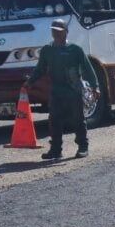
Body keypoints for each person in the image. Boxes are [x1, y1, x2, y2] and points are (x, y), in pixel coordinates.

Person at [24, 18, 100, 160]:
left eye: (59, 31)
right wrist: (30, 82)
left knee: (78, 119)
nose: (56, 34)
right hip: (56, 90)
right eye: (53, 31)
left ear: (66, 32)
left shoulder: (76, 50)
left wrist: (95, 87)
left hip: (74, 90)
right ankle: (56, 150)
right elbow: (40, 69)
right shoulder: (47, 50)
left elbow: (87, 69)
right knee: (55, 120)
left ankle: (83, 147)